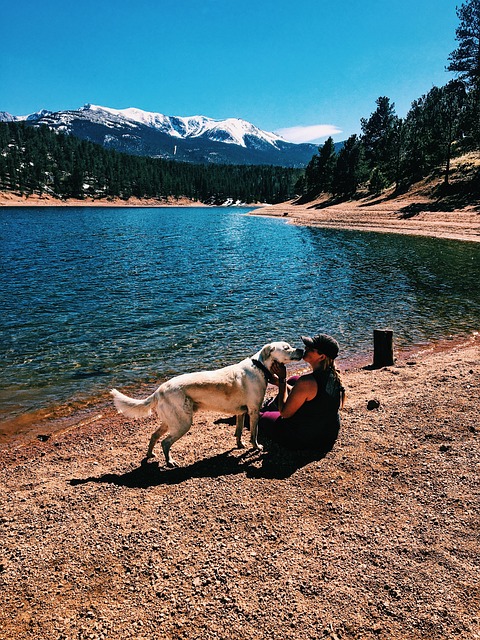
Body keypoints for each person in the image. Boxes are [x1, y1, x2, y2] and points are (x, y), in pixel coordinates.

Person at [258, 334, 345, 451]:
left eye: (311, 349)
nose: (306, 349)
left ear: (322, 357)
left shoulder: (307, 382)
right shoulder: (333, 374)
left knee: (261, 417)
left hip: (307, 439)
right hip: (327, 434)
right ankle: (270, 405)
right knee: (294, 380)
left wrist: (282, 380)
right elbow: (310, 395)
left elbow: (284, 413)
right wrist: (279, 382)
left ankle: (261, 410)